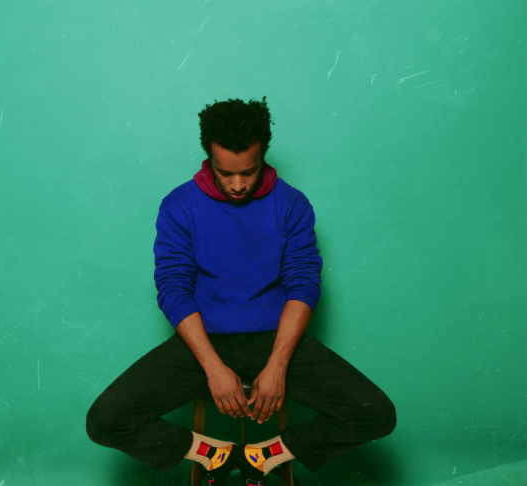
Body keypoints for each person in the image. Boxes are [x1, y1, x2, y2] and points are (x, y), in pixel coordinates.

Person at [86, 97, 396, 485]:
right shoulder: (179, 205)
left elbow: (303, 283)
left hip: (275, 339)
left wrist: (278, 365)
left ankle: (265, 455)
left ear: (263, 155)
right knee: (105, 420)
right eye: (225, 173)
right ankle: (211, 453)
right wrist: (213, 368)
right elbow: (174, 288)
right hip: (203, 344)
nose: (237, 185)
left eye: (249, 172)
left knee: (376, 413)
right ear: (209, 158)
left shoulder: (292, 204)